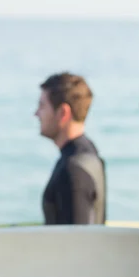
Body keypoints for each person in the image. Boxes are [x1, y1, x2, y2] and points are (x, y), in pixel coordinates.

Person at [35, 72, 106, 225]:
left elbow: (77, 240)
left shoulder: (72, 169)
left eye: (42, 106)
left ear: (63, 113)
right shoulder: (88, 151)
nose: (36, 114)